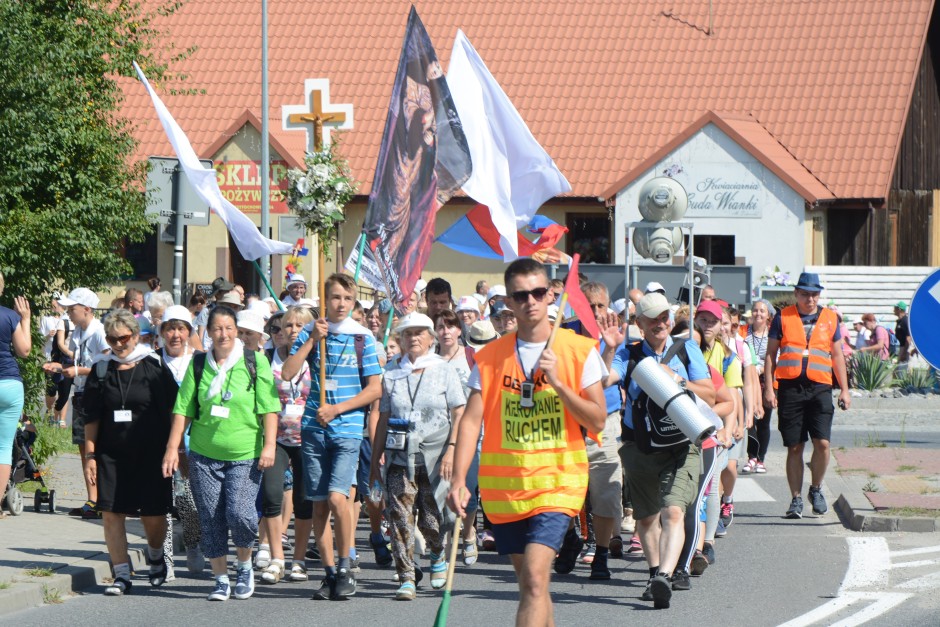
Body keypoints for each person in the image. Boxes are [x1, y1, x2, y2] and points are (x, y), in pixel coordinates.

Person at [448, 258, 607, 626]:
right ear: (509, 303)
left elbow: (596, 417)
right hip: (505, 491)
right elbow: (471, 422)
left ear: (551, 295)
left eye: (538, 292)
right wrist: (458, 481)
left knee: (536, 579)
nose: (531, 301)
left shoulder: (579, 350)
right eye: (521, 295)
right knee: (531, 587)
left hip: (557, 485)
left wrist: (560, 384)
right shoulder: (489, 358)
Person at [603, 292, 714, 609]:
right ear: (639, 324)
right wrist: (610, 348)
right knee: (647, 518)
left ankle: (665, 575)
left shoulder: (686, 349)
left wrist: (678, 379)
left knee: (674, 510)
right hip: (639, 446)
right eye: (652, 318)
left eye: (664, 316)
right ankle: (655, 573)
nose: (660, 323)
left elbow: (710, 391)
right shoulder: (628, 353)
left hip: (681, 445)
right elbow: (605, 378)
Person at [162, 306, 281, 602]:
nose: (223, 334)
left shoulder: (254, 362)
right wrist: (172, 448)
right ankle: (220, 578)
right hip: (204, 453)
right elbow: (183, 408)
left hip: (245, 452)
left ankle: (243, 566)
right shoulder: (199, 364)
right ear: (209, 332)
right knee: (211, 517)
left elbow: (269, 407)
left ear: (236, 330)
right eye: (217, 328)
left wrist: (269, 446)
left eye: (229, 328)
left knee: (240, 513)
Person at [281, 273, 382, 601]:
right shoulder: (314, 332)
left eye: (347, 299)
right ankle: (328, 573)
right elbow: (287, 371)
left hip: (347, 430)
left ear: (354, 304)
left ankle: (344, 564)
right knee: (319, 505)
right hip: (312, 429)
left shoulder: (362, 338)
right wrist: (312, 340)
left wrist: (338, 410)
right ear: (325, 300)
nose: (340, 304)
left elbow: (375, 388)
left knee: (340, 499)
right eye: (335, 298)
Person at [82, 310, 178, 595]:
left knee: (153, 515)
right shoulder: (102, 369)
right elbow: (91, 416)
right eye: (112, 339)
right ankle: (121, 575)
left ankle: (155, 553)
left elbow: (176, 410)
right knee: (112, 513)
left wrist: (175, 449)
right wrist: (90, 455)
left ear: (136, 336)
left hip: (151, 453)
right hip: (111, 455)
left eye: (123, 338)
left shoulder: (154, 366)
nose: (118, 344)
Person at [370, 313, 466, 600]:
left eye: (419, 333)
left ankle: (438, 554)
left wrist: (452, 448)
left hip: (436, 455)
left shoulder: (443, 369)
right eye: (407, 333)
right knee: (399, 516)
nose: (413, 338)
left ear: (430, 338)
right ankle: (406, 575)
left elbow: (459, 411)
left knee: (432, 519)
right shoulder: (391, 374)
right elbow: (383, 416)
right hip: (399, 455)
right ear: (400, 339)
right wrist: (376, 461)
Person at [764, 272, 851, 519]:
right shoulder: (782, 317)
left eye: (814, 294)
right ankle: (796, 499)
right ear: (796, 294)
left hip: (820, 387)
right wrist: (769, 388)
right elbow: (771, 354)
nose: (809, 299)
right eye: (805, 294)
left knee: (822, 443)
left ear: (819, 295)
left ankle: (816, 489)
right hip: (790, 388)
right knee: (794, 447)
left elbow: (837, 356)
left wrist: (844, 389)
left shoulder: (830, 318)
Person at [257, 306, 315, 584]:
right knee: (271, 495)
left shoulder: (318, 358)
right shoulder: (267, 358)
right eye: (287, 325)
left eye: (300, 325)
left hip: (308, 439)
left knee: (304, 502)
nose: (292, 331)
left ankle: (299, 560)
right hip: (276, 438)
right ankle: (277, 558)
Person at [43, 288, 110, 518]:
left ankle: (104, 500)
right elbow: (78, 361)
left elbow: (109, 367)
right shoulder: (80, 332)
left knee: (97, 449)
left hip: (97, 396)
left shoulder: (100, 332)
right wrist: (60, 368)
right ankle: (92, 500)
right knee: (84, 448)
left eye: (72, 309)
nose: (68, 313)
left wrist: (78, 370)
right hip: (82, 393)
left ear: (87, 310)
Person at [157, 305, 204, 574]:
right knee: (162, 498)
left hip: (194, 439)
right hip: (161, 440)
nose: (176, 334)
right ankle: (166, 558)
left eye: (181, 328)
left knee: (188, 498)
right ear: (163, 331)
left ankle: (193, 544)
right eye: (170, 328)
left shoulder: (200, 360)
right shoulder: (152, 360)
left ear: (189, 332)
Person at [433, 310, 479, 564]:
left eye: (450, 326)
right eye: (440, 327)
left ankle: (469, 532)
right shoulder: (431, 360)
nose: (446, 331)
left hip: (470, 435)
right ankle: (446, 544)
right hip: (439, 435)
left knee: (467, 489)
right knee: (442, 491)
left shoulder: (472, 357)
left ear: (459, 330)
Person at [0, 273, 31, 513]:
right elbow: (24, 350)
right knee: (2, 447)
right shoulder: (10, 316)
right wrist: (26, 319)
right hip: (10, 384)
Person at [744, 299, 775, 474]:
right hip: (748, 379)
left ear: (768, 316)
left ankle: (761, 459)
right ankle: (751, 457)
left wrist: (761, 369)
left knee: (764, 421)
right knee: (750, 420)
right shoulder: (744, 332)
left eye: (762, 311)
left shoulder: (772, 334)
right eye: (755, 310)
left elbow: (775, 357)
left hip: (766, 380)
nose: (758, 314)